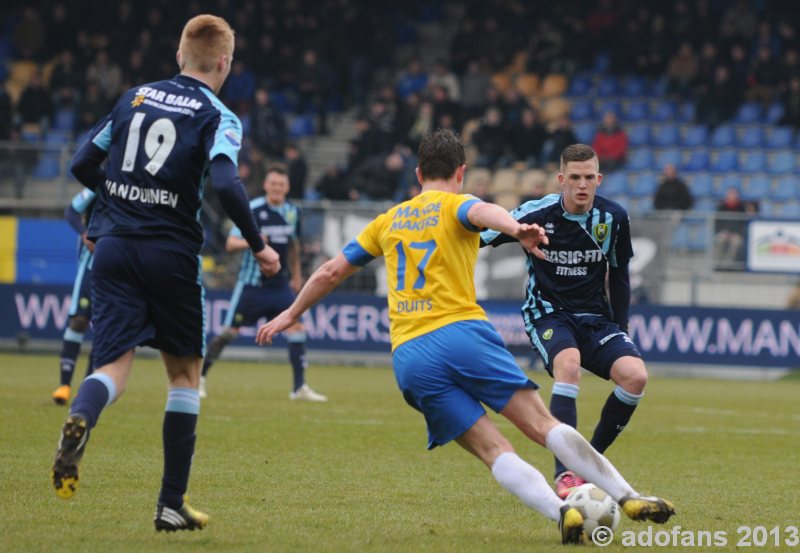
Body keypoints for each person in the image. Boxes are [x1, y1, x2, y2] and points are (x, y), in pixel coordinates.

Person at [256, 130, 675, 545]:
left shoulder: (387, 220)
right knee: (541, 425)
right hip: (461, 334)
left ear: (418, 173)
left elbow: (330, 272)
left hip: (409, 356)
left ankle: (561, 512)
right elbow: (485, 214)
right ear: (461, 171)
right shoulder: (459, 204)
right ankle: (628, 496)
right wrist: (517, 228)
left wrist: (290, 314)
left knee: (493, 449)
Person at [50, 14, 281, 532]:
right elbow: (225, 183)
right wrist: (261, 245)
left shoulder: (133, 98)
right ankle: (170, 504)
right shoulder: (219, 115)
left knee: (111, 368)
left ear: (180, 56)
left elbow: (84, 163)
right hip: (171, 253)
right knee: (183, 376)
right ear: (225, 63)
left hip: (112, 250)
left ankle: (83, 415)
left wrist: (114, 206)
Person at [482, 144, 648, 500]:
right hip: (548, 312)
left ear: (599, 179)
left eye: (589, 177)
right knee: (568, 366)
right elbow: (481, 235)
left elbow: (619, 275)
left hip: (596, 318)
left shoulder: (614, 218)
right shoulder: (535, 213)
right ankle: (565, 475)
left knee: (635, 377)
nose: (582, 184)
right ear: (561, 180)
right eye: (575, 177)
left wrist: (622, 327)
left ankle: (589, 463)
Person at [201, 164, 326, 402]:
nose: (277, 187)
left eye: (281, 184)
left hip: (280, 286)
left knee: (297, 328)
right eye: (273, 183)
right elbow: (230, 244)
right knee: (228, 333)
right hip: (252, 286)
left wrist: (297, 277)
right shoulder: (253, 209)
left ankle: (299, 388)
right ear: (266, 185)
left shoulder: (292, 212)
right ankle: (200, 377)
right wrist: (254, 241)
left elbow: (294, 246)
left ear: (287, 187)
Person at [51, 189, 97, 405]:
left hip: (117, 265)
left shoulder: (134, 183)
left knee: (104, 327)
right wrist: (84, 232)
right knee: (79, 320)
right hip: (90, 264)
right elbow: (71, 211)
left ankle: (87, 390)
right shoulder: (98, 182)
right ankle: (64, 385)